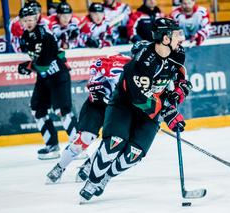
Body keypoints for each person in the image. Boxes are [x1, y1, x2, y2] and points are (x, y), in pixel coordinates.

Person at [79, 18, 192, 201]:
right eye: (176, 34)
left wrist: (179, 92)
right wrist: (167, 111)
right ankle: (93, 180)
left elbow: (179, 77)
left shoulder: (177, 54)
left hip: (150, 112)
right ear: (164, 39)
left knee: (134, 154)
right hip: (124, 106)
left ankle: (105, 178)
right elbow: (142, 99)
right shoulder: (142, 63)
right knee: (115, 142)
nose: (181, 38)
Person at [46, 54, 131, 183]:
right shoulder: (116, 65)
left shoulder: (149, 75)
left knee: (115, 142)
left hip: (119, 110)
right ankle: (60, 167)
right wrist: (101, 93)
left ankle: (89, 165)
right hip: (97, 106)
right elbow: (93, 83)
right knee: (85, 138)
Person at [18, 6, 77, 160]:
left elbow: (44, 63)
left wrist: (27, 67)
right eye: (25, 20)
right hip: (44, 78)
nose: (28, 22)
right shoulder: (25, 36)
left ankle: (78, 147)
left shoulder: (44, 34)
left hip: (58, 76)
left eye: (30, 19)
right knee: (37, 108)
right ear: (21, 22)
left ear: (36, 18)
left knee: (62, 111)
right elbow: (44, 59)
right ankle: (52, 145)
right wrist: (30, 66)